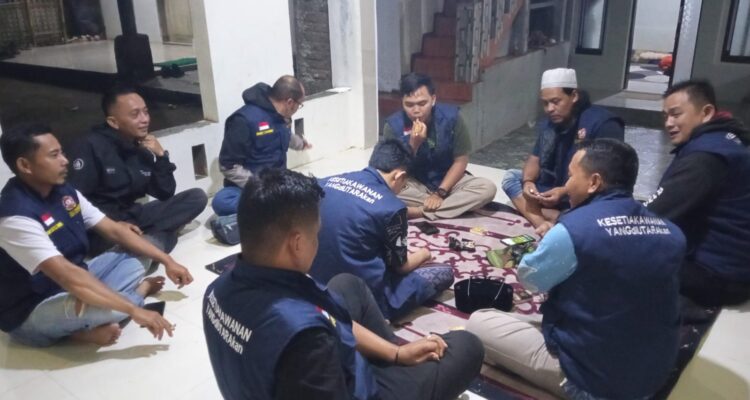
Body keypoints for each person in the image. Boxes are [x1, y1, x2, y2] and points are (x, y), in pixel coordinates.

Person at [202, 168, 484, 400]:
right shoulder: (305, 337)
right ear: (297, 244)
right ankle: (400, 376)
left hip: (297, 371)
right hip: (358, 388)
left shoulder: (216, 290)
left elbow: (328, 316)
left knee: (346, 284)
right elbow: (314, 326)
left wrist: (396, 353)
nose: (318, 242)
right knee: (467, 345)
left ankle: (395, 361)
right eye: (316, 235)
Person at [467, 139, 686, 399]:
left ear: (594, 182)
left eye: (571, 176)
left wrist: (550, 245)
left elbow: (531, 279)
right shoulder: (672, 232)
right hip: (655, 370)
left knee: (480, 322)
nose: (567, 184)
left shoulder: (574, 230)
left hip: (596, 381)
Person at [0, 123, 193, 347]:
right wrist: (135, 310)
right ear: (25, 165)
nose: (65, 160)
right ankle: (136, 293)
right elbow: (66, 275)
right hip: (33, 307)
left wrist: (168, 261)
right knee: (109, 308)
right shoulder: (15, 216)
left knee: (142, 251)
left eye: (62, 152)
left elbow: (114, 230)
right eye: (54, 155)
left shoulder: (63, 191)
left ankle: (88, 321)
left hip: (80, 277)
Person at [310, 139, 454, 320]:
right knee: (444, 272)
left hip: (316, 284)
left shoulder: (326, 182)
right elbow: (401, 267)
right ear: (399, 176)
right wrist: (424, 254)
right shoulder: (392, 208)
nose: (402, 188)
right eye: (404, 184)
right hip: (365, 297)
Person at [68, 85, 207, 256]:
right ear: (113, 122)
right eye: (135, 115)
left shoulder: (141, 148)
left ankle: (143, 245)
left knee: (196, 197)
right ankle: (154, 242)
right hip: (104, 228)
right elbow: (74, 201)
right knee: (159, 237)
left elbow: (165, 193)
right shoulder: (90, 146)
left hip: (134, 216)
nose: (145, 119)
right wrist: (112, 227)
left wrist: (161, 157)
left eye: (146, 112)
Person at [645, 79, 750, 307]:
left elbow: (651, 216)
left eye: (676, 114)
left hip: (719, 275)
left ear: (706, 112)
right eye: (665, 116)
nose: (669, 123)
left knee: (624, 252)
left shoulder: (706, 158)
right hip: (733, 266)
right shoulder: (726, 139)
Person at [502, 68, 624, 234]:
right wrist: (528, 183)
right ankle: (544, 223)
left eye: (555, 101)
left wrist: (565, 191)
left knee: (600, 211)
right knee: (512, 177)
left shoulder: (603, 123)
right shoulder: (550, 124)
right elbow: (534, 159)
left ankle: (548, 214)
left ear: (574, 96)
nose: (549, 109)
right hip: (552, 189)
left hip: (583, 195)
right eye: (545, 103)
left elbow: (608, 178)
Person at [383, 72, 496, 220]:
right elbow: (394, 170)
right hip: (414, 183)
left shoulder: (452, 118)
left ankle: (419, 212)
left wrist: (440, 193)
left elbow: (461, 160)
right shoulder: (392, 126)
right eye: (409, 105)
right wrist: (413, 145)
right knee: (385, 187)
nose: (416, 110)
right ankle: (451, 207)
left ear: (433, 99)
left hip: (448, 182)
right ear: (402, 102)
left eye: (422, 104)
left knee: (487, 188)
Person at [212, 75, 312, 216]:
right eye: (299, 104)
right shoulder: (242, 121)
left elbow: (284, 134)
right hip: (249, 186)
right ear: (289, 102)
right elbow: (228, 166)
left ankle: (270, 206)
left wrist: (300, 143)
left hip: (278, 182)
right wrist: (259, 186)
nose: (298, 108)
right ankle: (274, 205)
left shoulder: (282, 117)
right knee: (221, 201)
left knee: (312, 186)